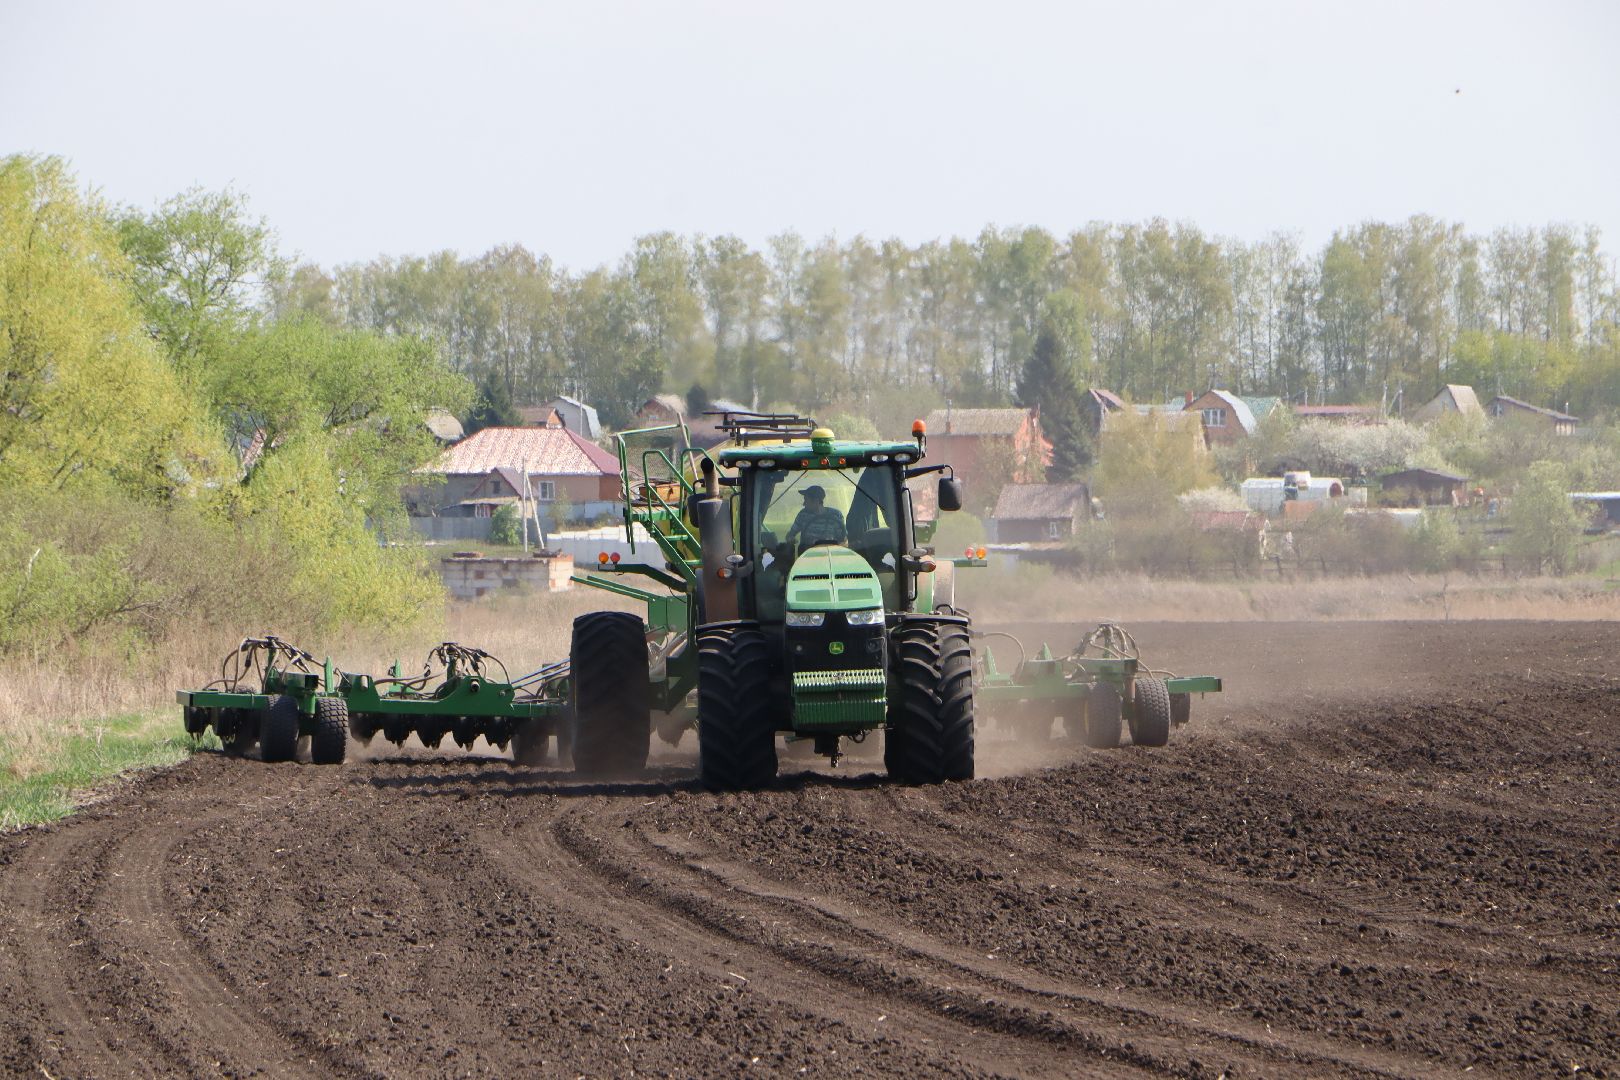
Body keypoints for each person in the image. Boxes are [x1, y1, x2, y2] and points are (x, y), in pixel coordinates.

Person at [786, 484, 846, 550]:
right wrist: (790, 539)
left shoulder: (836, 514)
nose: (803, 504)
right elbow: (791, 534)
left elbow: (843, 539)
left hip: (830, 554)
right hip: (807, 554)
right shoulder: (803, 514)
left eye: (806, 500)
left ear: (816, 501)